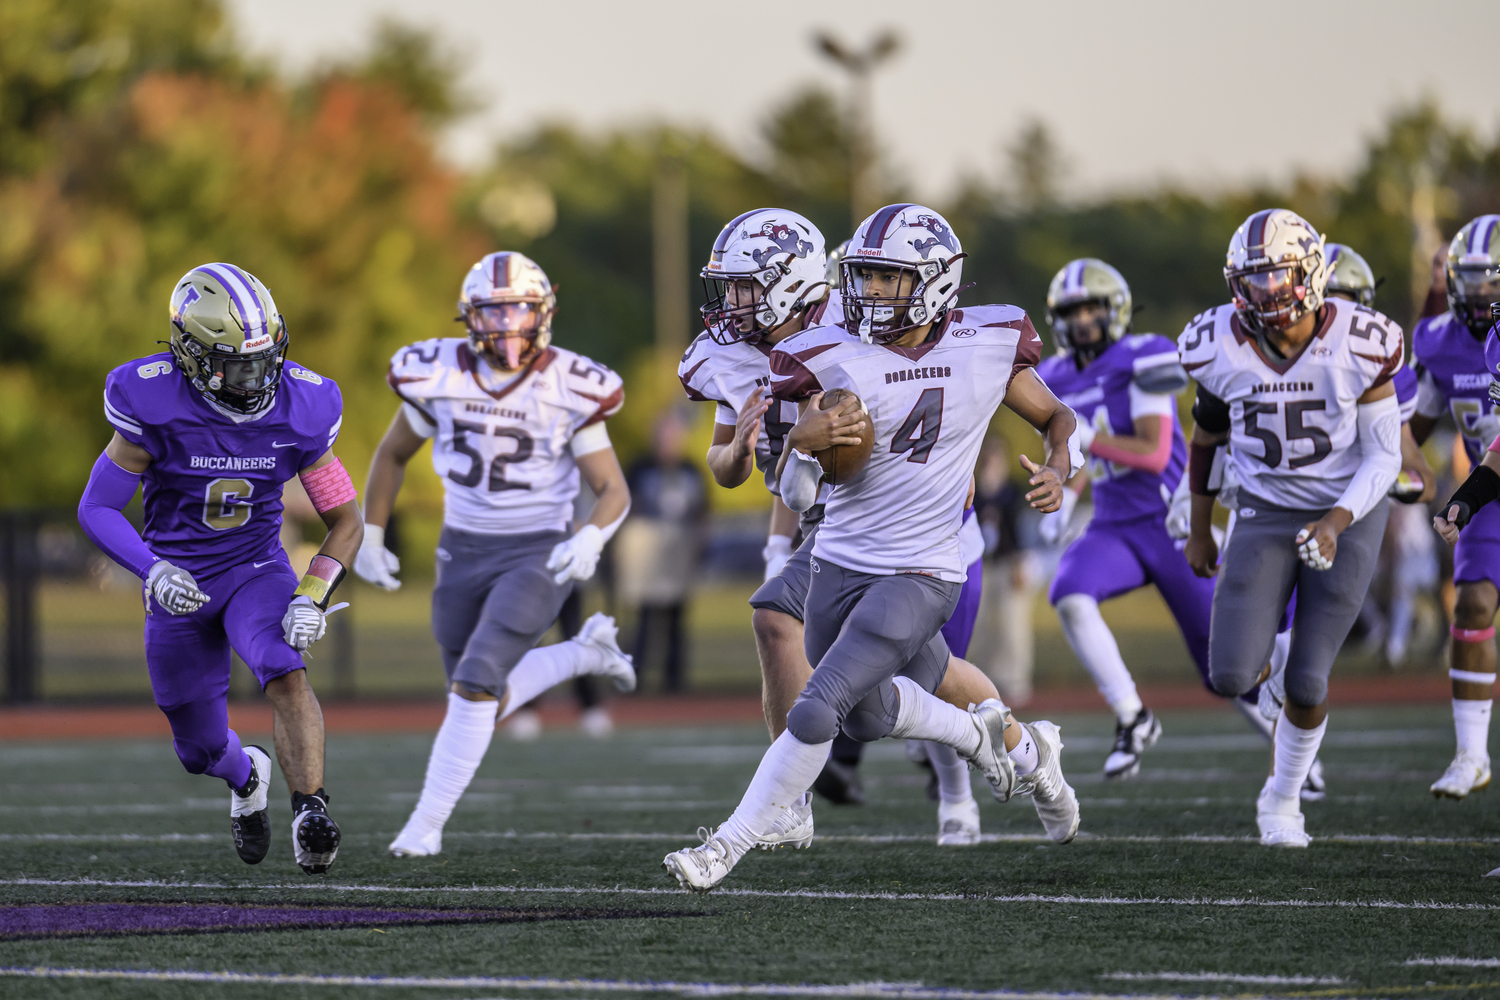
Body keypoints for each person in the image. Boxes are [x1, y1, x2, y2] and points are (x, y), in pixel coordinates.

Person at [661, 204, 1084, 892]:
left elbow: (966, 418)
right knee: (919, 680)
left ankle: (767, 818)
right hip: (834, 536)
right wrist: (745, 448)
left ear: (790, 282)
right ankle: (1017, 747)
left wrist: (1044, 472)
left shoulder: (864, 334)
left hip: (913, 542)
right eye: (728, 287)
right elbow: (750, 472)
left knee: (807, 667)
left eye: (744, 286)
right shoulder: (756, 355)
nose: (730, 303)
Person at [77, 263, 360, 873]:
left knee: (283, 668)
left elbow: (346, 521)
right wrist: (152, 570)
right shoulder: (151, 400)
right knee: (198, 748)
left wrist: (312, 593)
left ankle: (311, 810)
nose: (257, 376)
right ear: (190, 355)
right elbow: (97, 507)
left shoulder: (303, 406)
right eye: (237, 362)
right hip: (177, 581)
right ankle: (245, 774)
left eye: (265, 358)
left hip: (255, 569)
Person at [355, 251, 638, 858]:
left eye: (519, 311)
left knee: (477, 681)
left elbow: (614, 488)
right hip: (461, 547)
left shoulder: (568, 384)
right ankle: (584, 653)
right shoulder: (438, 375)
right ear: (469, 317)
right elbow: (390, 455)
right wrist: (371, 532)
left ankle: (424, 826)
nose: (508, 325)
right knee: (480, 690)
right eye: (494, 312)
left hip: (536, 548)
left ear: (544, 314)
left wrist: (590, 535)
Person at [1180, 209, 1403, 848]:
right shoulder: (1217, 343)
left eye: (1277, 274)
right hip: (1263, 510)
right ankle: (1271, 664)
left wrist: (1336, 521)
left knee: (1309, 682)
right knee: (1228, 675)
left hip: (1349, 510)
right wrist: (1201, 527)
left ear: (1310, 272)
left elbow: (1384, 456)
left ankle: (1282, 798)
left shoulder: (1362, 340)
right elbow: (1208, 435)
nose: (1266, 290)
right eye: (1253, 278)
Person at [1036, 258, 1286, 778]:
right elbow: (1082, 450)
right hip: (1112, 525)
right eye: (1071, 310)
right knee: (1070, 593)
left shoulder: (1143, 355)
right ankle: (1133, 715)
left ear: (1115, 309)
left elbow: (1152, 452)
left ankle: (1295, 757)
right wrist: (1069, 486)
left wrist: (1087, 439)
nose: (1082, 320)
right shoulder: (1053, 374)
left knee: (1224, 670)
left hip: (1171, 522)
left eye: (1091, 308)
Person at [1409, 217, 1500, 799]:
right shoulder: (1439, 340)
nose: (1479, 292)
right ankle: (1470, 754)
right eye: (1469, 279)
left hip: (1482, 485)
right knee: (1470, 603)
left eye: (1490, 280)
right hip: (1488, 495)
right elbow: (1411, 423)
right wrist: (1399, 465)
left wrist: (1460, 501)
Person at [618, 409, 709, 692]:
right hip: (649, 550)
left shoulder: (691, 470)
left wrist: (701, 543)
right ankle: (637, 676)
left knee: (676, 616)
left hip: (678, 549)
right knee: (646, 614)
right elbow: (628, 508)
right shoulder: (639, 468)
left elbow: (702, 513)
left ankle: (674, 681)